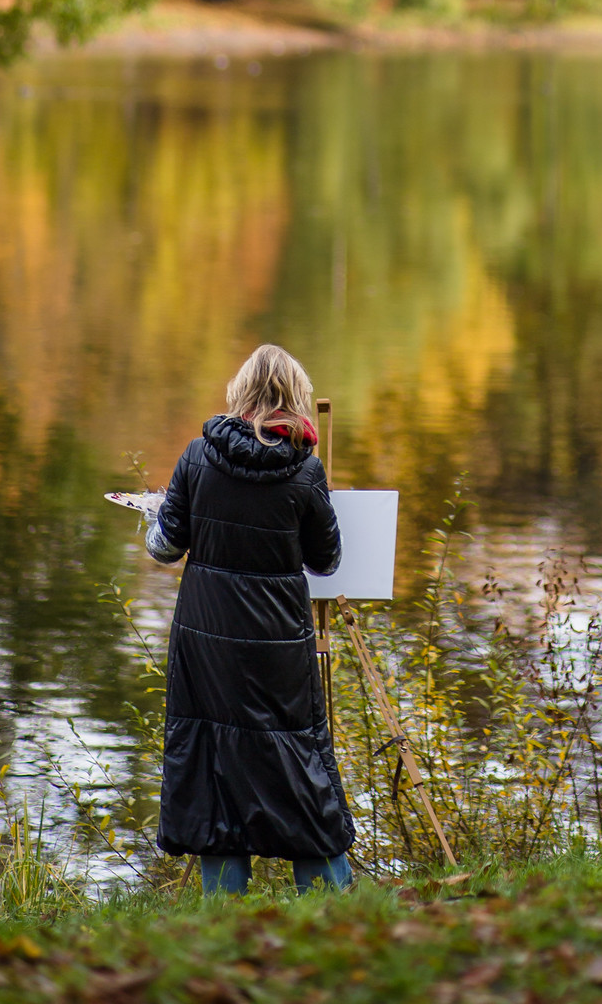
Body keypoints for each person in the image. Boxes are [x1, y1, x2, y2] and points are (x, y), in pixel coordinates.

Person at [146, 343, 355, 895]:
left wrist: (156, 516)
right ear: (295, 397)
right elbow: (326, 560)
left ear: (240, 392)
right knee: (296, 759)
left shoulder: (196, 456)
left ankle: (222, 915)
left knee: (215, 762)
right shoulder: (305, 470)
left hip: (205, 644)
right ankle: (333, 904)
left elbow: (165, 547)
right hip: (278, 643)